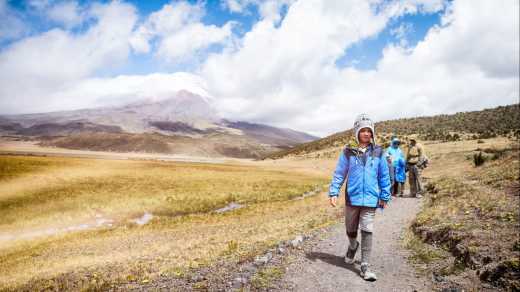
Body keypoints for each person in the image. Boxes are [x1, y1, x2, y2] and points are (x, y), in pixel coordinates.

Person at [328, 114, 391, 281]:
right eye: (362, 130)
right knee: (350, 228)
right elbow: (340, 173)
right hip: (352, 198)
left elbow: (384, 175)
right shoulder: (348, 151)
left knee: (367, 229)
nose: (366, 134)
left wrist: (384, 195)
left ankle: (365, 266)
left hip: (371, 198)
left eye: (369, 131)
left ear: (372, 133)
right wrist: (334, 192)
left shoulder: (378, 151)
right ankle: (352, 245)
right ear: (357, 132)